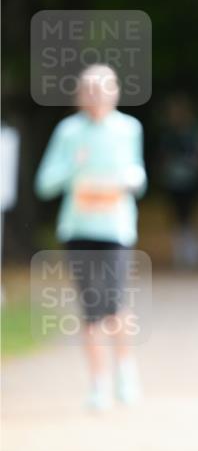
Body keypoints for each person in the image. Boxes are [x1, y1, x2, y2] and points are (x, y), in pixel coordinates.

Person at [35, 64, 147, 411]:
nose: (96, 97)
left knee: (115, 304)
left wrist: (128, 178)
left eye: (103, 90)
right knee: (91, 308)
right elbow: (45, 183)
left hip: (115, 229)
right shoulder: (68, 132)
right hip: (79, 230)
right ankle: (98, 383)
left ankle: (125, 370)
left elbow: (138, 176)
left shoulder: (129, 128)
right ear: (79, 95)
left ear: (115, 92)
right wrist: (74, 166)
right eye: (90, 91)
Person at [156, 95, 198, 269]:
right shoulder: (168, 134)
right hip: (173, 181)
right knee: (177, 218)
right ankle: (181, 253)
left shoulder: (193, 132)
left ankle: (193, 252)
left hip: (191, 181)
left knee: (191, 216)